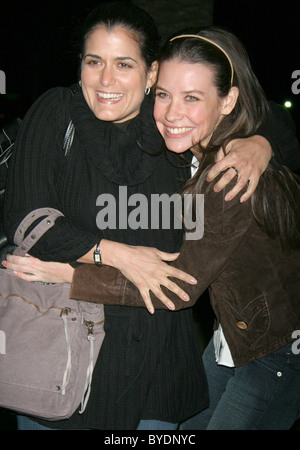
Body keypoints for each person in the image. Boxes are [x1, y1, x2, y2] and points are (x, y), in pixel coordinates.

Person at [3, 3, 299, 430]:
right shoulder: (63, 111)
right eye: (94, 62)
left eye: (124, 64)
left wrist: (261, 145)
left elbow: (257, 120)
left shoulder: (178, 136)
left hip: (166, 361)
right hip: (64, 354)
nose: (107, 79)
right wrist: (117, 253)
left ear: (150, 71)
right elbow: (26, 217)